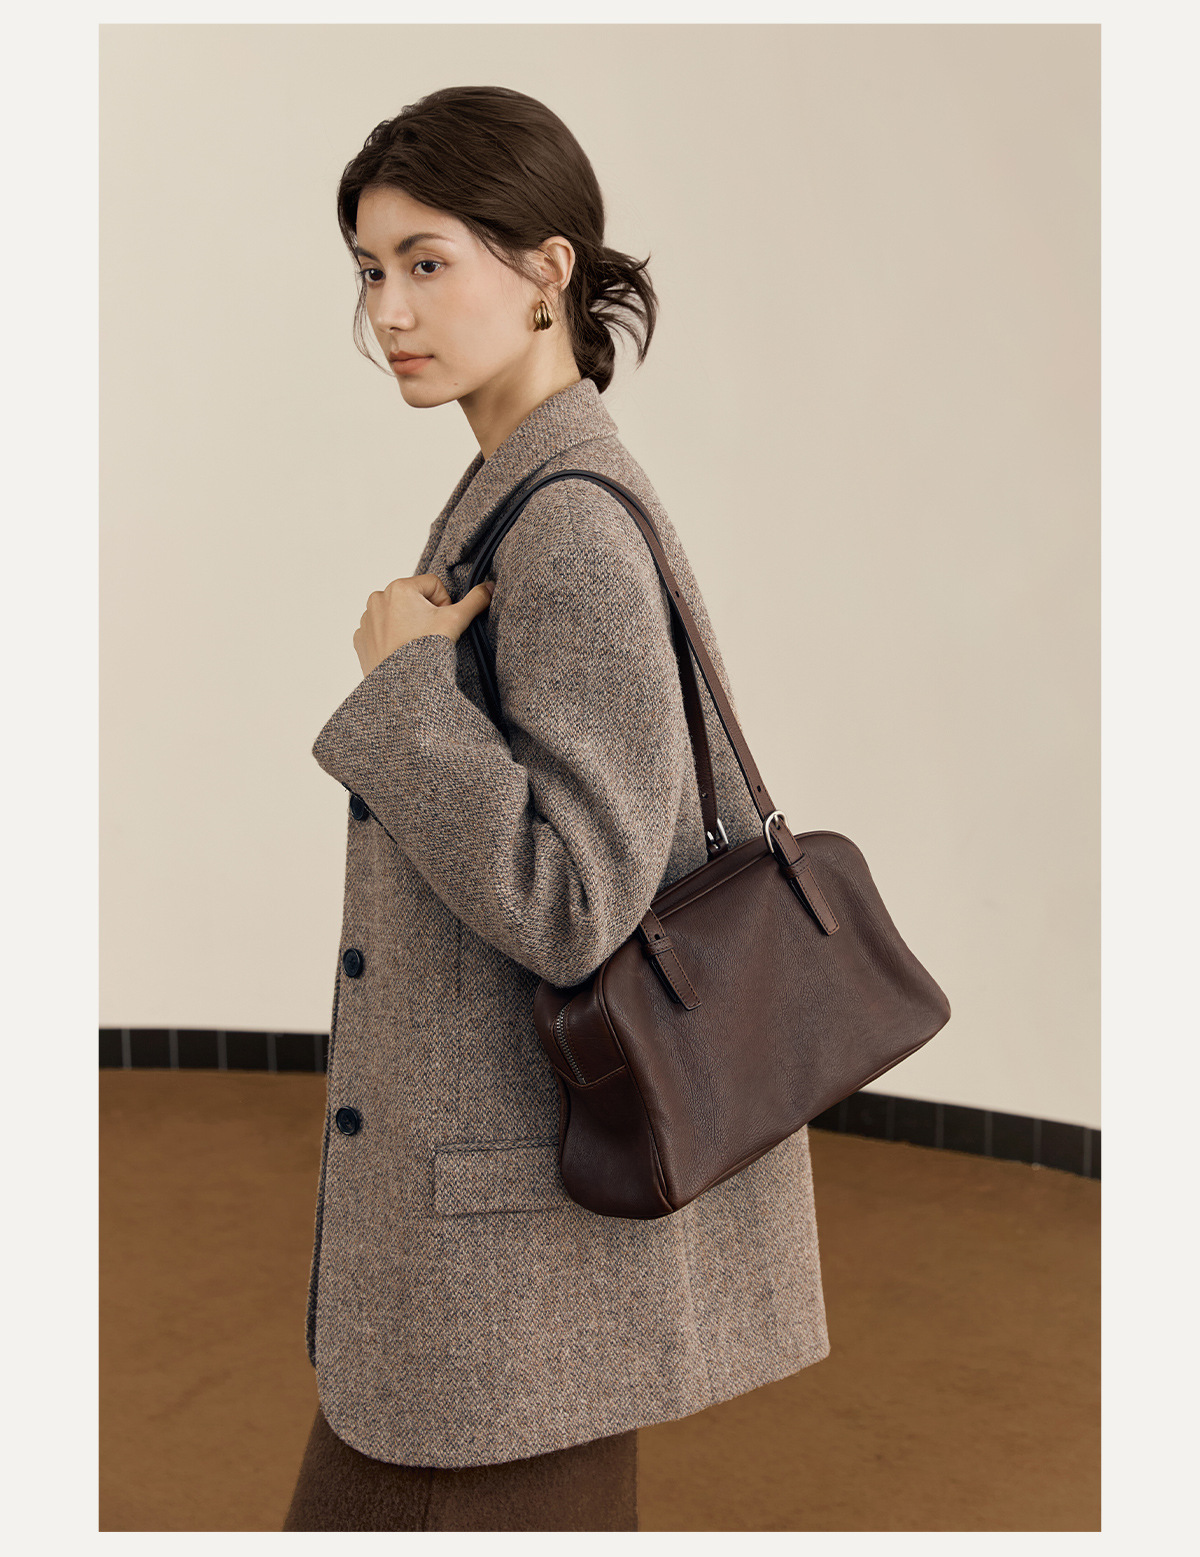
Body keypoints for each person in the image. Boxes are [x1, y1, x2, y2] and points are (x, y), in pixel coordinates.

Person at [282, 84, 830, 1533]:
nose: (389, 311)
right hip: (511, 1232)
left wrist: (406, 691)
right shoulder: (511, 488)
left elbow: (578, 902)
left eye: (427, 262)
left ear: (548, 270)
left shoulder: (569, 522)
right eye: (369, 270)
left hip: (509, 1246)